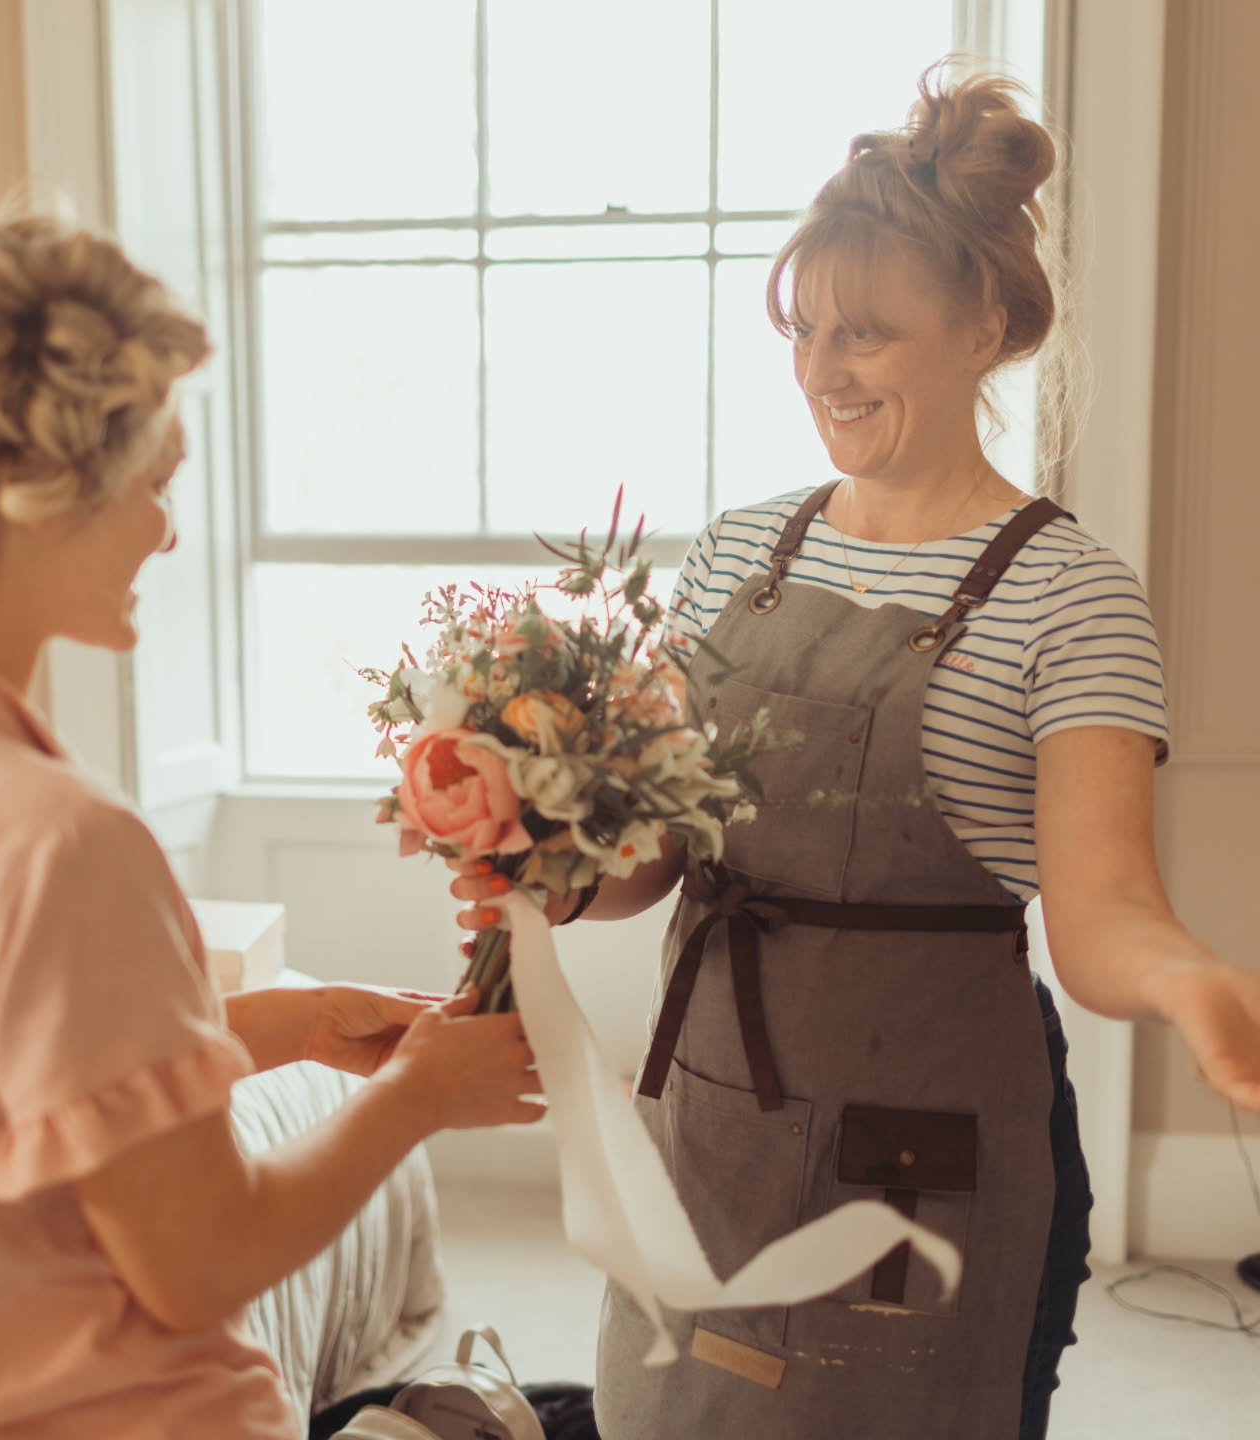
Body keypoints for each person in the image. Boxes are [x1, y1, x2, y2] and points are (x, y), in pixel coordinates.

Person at [453, 63, 1260, 1439]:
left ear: (988, 327)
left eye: (868, 334)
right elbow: (661, 857)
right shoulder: (732, 555)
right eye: (806, 329)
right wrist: (550, 864)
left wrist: (1191, 986)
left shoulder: (1071, 594)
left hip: (930, 1156)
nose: (824, 370)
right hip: (709, 1119)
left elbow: (1105, 904)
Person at [0, 201, 544, 1440]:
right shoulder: (54, 839)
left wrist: (295, 1026)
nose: (165, 529)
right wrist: (414, 1101)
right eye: (152, 485)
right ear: (33, 488)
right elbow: (201, 1261)